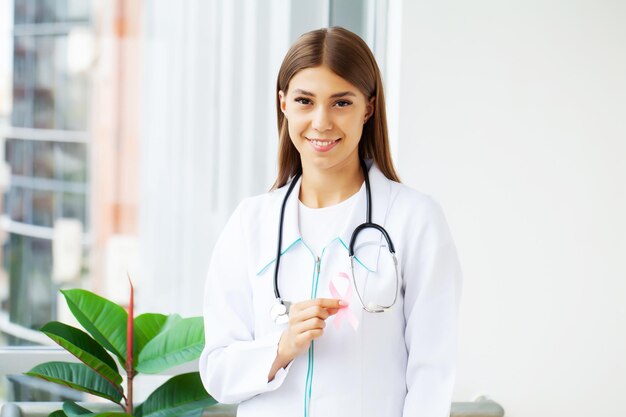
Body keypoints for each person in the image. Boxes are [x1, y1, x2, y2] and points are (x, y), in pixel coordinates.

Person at [199, 26, 462, 417]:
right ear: (283, 104)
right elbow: (218, 372)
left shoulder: (413, 220)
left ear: (368, 108)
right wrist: (282, 346)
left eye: (341, 103)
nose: (321, 122)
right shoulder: (250, 224)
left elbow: (431, 375)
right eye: (305, 101)